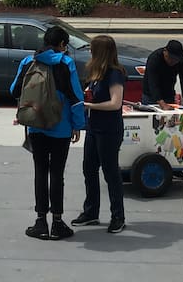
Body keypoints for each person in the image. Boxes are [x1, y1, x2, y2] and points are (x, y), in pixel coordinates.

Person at [10, 25, 85, 241]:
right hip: (60, 129)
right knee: (57, 174)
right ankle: (58, 223)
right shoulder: (66, 63)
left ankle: (40, 221)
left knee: (40, 172)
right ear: (62, 44)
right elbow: (76, 97)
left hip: (36, 126)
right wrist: (78, 125)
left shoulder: (29, 61)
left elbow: (14, 90)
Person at [72, 35, 126, 234]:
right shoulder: (97, 74)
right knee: (89, 169)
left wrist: (89, 105)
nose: (89, 53)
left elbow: (115, 103)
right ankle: (91, 211)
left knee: (110, 172)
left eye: (92, 50)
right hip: (94, 128)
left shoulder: (114, 73)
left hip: (109, 130)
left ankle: (118, 216)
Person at [141, 39, 183, 108]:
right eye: (169, 58)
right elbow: (153, 83)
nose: (172, 62)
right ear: (165, 51)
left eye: (175, 60)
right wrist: (162, 104)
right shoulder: (154, 58)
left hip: (169, 94)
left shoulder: (182, 59)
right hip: (150, 95)